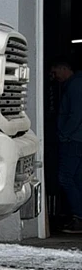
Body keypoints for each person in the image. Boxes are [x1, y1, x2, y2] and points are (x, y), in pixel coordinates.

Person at [50, 58, 82, 234]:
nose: (54, 77)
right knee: (77, 178)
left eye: (55, 72)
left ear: (64, 68)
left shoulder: (75, 86)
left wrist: (64, 134)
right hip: (77, 139)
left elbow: (76, 114)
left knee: (65, 177)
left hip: (73, 140)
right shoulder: (75, 84)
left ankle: (78, 216)